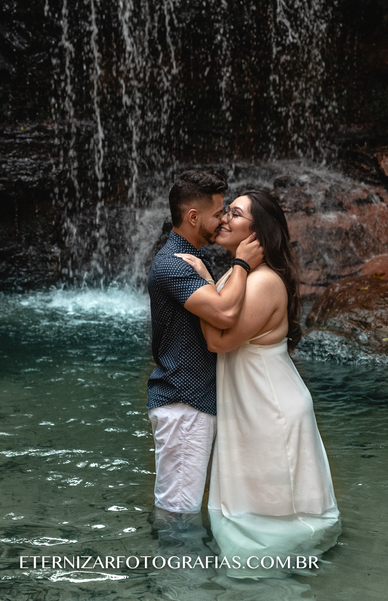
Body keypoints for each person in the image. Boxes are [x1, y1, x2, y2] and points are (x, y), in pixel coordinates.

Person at [176, 188, 340, 571]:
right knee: (259, 501)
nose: (225, 219)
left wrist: (202, 276)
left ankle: (278, 577)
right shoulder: (243, 275)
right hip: (254, 401)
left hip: (270, 406)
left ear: (258, 233)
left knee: (274, 512)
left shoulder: (263, 281)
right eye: (226, 211)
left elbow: (217, 341)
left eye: (235, 214)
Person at [146, 170, 264, 522]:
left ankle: (182, 573)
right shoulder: (174, 264)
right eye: (218, 213)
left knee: (183, 505)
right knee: (177, 513)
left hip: (193, 401)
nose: (223, 219)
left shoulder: (197, 258)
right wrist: (242, 263)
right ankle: (174, 576)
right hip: (183, 402)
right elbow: (225, 313)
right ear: (193, 217)